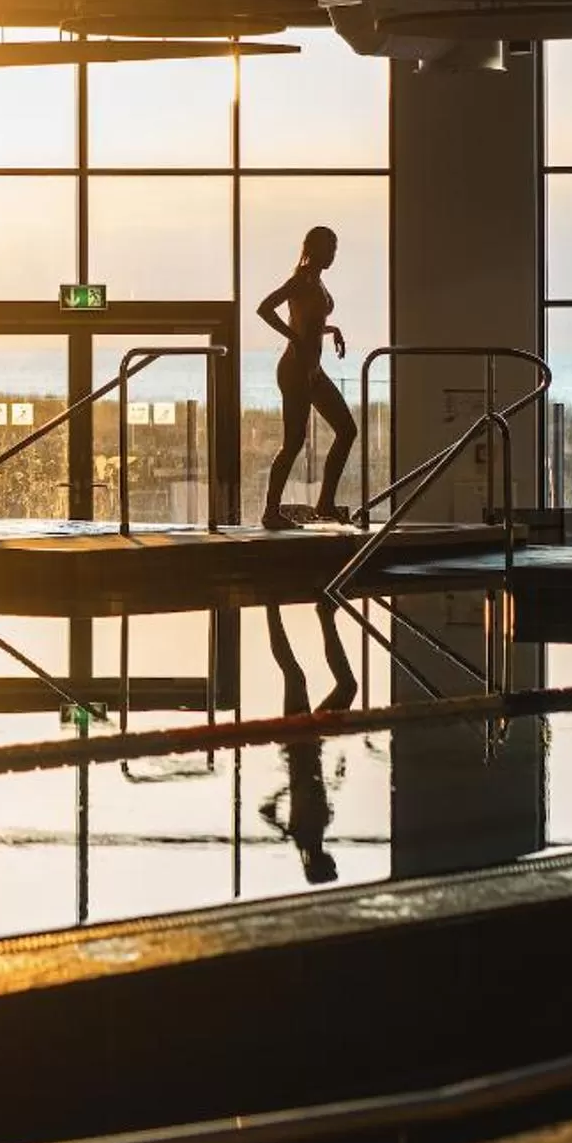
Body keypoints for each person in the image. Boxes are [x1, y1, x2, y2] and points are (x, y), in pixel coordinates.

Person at [255, 224, 356, 529]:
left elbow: (310, 322)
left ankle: (325, 503)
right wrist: (295, 339)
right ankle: (270, 512)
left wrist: (332, 329)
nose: (333, 254)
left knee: (347, 430)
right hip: (295, 370)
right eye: (329, 248)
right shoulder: (300, 280)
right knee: (293, 442)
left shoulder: (317, 281)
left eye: (335, 248)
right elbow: (264, 308)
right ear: (313, 249)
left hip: (312, 370)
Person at [259, 602, 358, 885]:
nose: (334, 861)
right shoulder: (307, 835)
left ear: (322, 863)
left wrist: (290, 785)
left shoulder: (305, 834)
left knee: (296, 676)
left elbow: (273, 807)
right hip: (309, 745)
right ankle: (324, 615)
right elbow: (271, 810)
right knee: (346, 687)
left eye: (332, 866)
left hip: (301, 744)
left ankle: (273, 607)